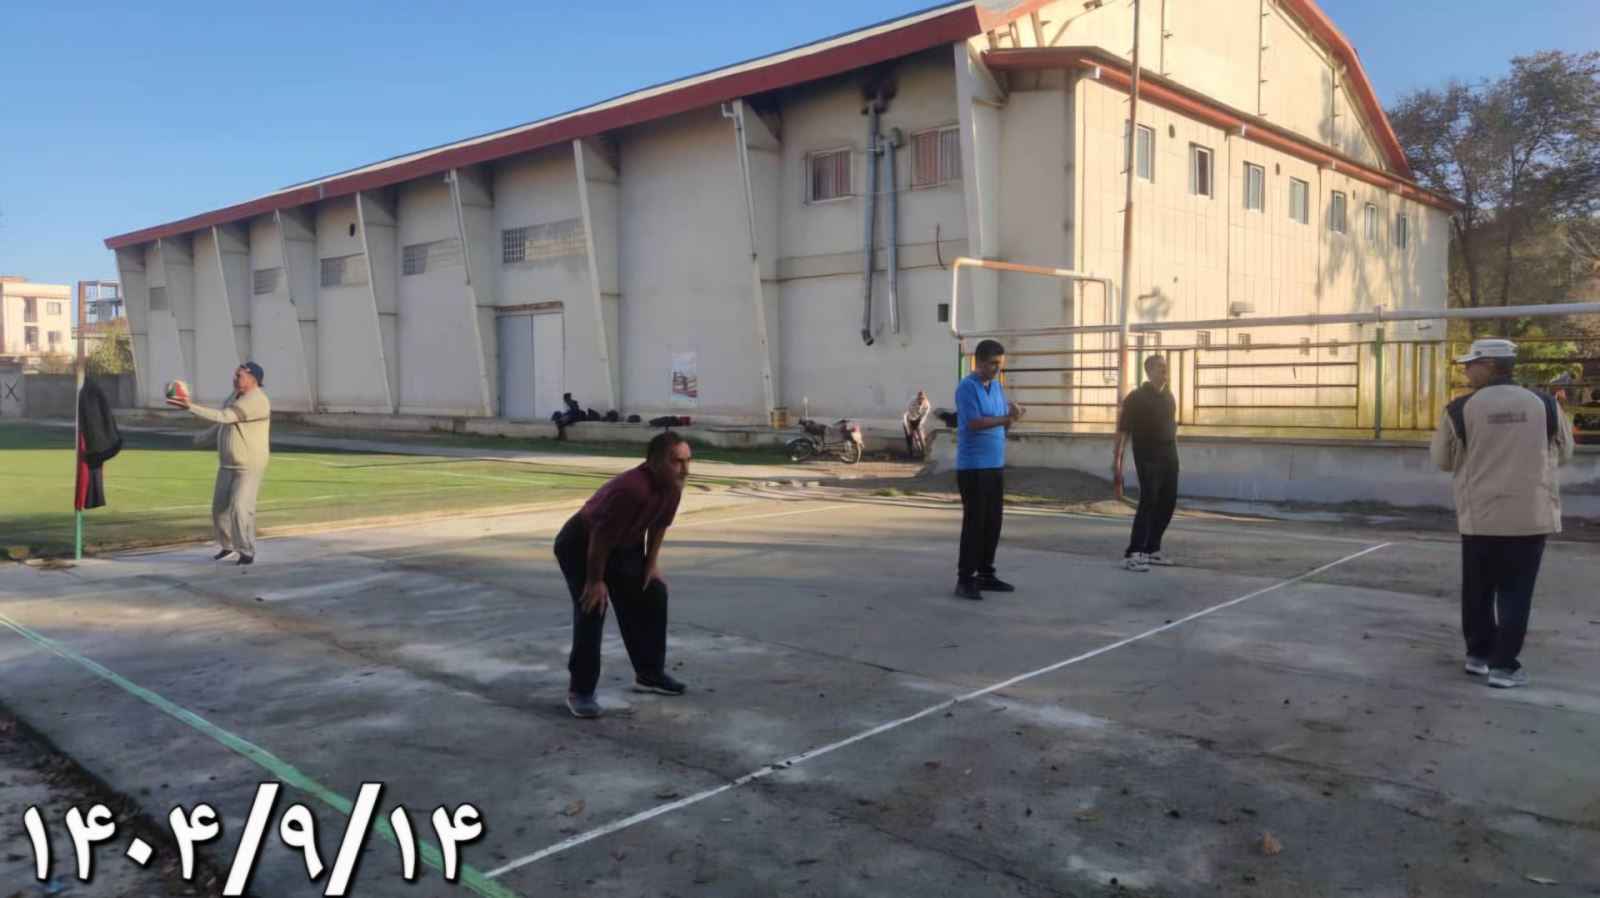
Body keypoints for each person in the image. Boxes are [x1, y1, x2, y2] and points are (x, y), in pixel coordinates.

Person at [1430, 338, 1573, 689]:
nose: (1466, 372)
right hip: (1529, 516)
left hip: (1481, 517)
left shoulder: (1460, 409)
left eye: (1470, 365)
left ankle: (1478, 655)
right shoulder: (1545, 404)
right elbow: (1565, 452)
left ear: (1490, 365)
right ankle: (1505, 666)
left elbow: (1442, 460)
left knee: (1477, 589)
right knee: (1516, 592)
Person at [554, 431, 692, 718]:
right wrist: (595, 581)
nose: (685, 470)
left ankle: (649, 675)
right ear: (654, 462)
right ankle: (580, 691)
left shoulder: (673, 488)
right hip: (581, 544)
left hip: (623, 545)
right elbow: (599, 536)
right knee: (593, 606)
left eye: (687, 461)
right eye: (677, 462)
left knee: (653, 593)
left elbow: (658, 526)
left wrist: (651, 565)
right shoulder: (632, 489)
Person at [168, 362, 272, 566]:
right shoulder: (234, 396)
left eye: (239, 375)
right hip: (227, 463)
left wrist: (189, 406)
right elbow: (222, 424)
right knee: (219, 509)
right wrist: (202, 439)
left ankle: (246, 550)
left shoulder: (257, 400)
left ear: (253, 379)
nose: (234, 378)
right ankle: (228, 546)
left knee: (240, 508)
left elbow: (224, 416)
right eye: (235, 374)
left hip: (249, 464)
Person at [954, 340, 1024, 600]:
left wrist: (1012, 415)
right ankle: (965, 578)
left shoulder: (996, 387)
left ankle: (986, 572)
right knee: (975, 523)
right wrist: (1006, 418)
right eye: (993, 363)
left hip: (995, 464)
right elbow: (975, 423)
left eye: (1000, 364)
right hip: (974, 467)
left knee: (993, 522)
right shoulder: (966, 388)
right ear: (979, 362)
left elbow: (1003, 424)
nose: (996, 368)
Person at [1114, 355, 1180, 572]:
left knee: (1167, 503)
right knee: (1148, 503)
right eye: (1160, 367)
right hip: (1148, 458)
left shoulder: (1169, 396)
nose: (1165, 370)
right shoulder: (1136, 398)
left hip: (1169, 456)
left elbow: (1171, 427)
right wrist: (1118, 460)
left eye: (1165, 366)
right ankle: (1133, 553)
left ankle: (1151, 550)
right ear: (1149, 370)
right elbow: (1124, 430)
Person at [903, 390, 931, 459]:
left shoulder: (927, 405)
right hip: (909, 418)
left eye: (922, 399)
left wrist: (919, 424)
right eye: (919, 399)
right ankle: (911, 452)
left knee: (920, 435)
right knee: (909, 436)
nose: (920, 400)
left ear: (925, 399)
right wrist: (907, 424)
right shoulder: (912, 402)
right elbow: (906, 413)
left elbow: (924, 416)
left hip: (918, 419)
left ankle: (924, 452)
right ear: (917, 398)